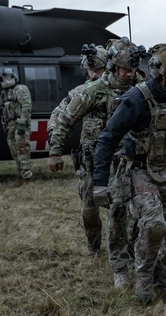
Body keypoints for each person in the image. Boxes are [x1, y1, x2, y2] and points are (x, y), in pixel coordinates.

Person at [92, 42, 166, 306]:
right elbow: (107, 139)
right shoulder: (136, 99)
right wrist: (99, 184)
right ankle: (143, 282)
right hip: (140, 172)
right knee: (153, 227)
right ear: (158, 75)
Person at [48, 40, 143, 280]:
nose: (93, 73)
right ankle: (94, 248)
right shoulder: (90, 91)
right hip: (93, 162)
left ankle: (125, 258)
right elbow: (64, 119)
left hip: (123, 162)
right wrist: (55, 151)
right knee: (90, 211)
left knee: (121, 213)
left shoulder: (138, 90)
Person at [0, 67, 33, 186]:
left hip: (19, 123)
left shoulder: (20, 89)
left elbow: (26, 106)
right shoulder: (6, 92)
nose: (4, 79)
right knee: (14, 151)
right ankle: (21, 175)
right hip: (11, 124)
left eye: (7, 77)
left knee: (22, 150)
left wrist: (23, 123)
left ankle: (26, 178)